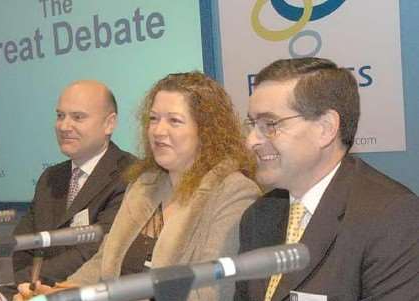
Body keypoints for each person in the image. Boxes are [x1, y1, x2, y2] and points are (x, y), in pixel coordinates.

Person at [16, 71, 261, 301]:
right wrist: (59, 293)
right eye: (153, 119)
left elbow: (212, 292)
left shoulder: (234, 193)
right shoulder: (144, 184)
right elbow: (102, 263)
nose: (158, 130)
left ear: (207, 131)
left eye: (174, 121)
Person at [234, 57, 419, 301]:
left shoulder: (391, 216)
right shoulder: (259, 215)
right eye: (252, 124)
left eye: (270, 124)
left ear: (325, 128)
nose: (252, 141)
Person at [0, 80, 136, 299]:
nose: (63, 126)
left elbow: (89, 254)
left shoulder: (130, 175)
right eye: (60, 115)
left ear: (109, 124)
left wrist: (7, 284)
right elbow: (23, 244)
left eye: (78, 117)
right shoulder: (50, 178)